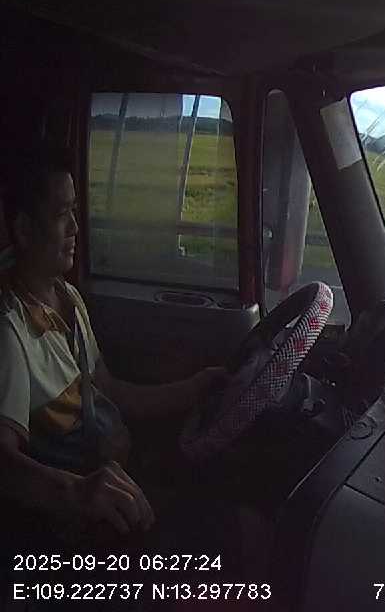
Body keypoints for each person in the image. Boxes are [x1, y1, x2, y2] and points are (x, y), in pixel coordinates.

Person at [0, 145, 225, 547]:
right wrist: (78, 492)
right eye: (61, 214)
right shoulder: (10, 331)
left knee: (223, 491)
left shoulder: (67, 297)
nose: (75, 227)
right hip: (86, 519)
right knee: (234, 533)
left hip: (122, 472)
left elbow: (109, 389)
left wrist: (193, 388)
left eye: (74, 211)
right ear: (24, 229)